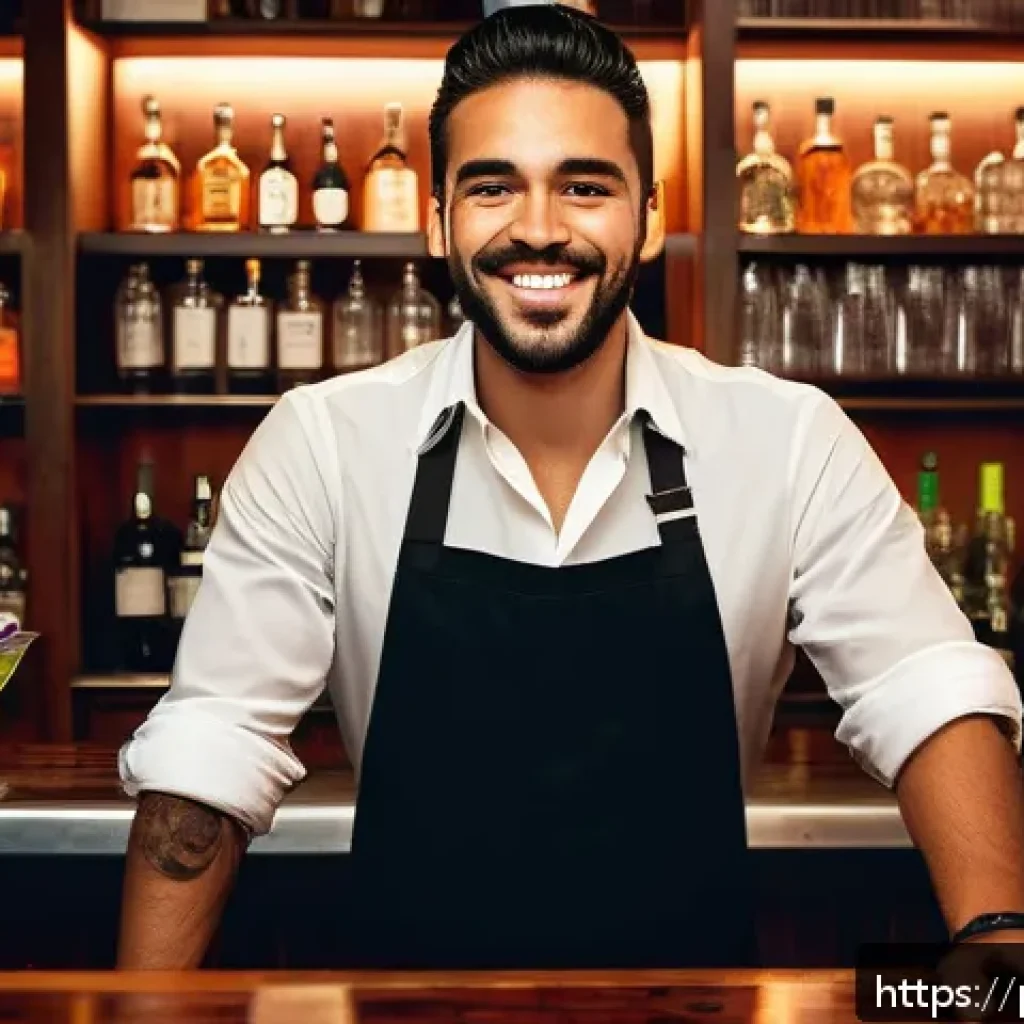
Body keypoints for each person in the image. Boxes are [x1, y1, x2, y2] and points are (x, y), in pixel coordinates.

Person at [116, 3, 1024, 971]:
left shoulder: (786, 440)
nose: (538, 230)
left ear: (651, 217)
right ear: (436, 223)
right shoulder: (325, 445)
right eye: (492, 187)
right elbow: (210, 759)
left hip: (698, 1006)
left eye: (584, 186)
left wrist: (999, 942)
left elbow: (926, 688)